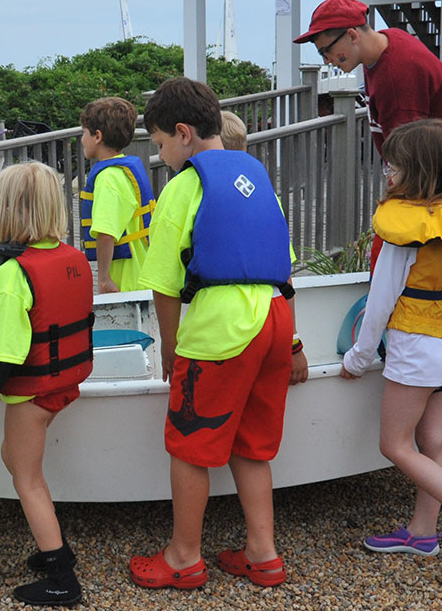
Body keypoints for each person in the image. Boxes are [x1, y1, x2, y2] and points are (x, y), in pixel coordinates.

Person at [128, 77, 306, 590]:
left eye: (160, 144)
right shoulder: (255, 174)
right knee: (251, 445)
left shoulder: (184, 185)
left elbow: (163, 283)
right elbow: (283, 271)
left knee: (191, 445)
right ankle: (263, 553)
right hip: (274, 320)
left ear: (183, 134)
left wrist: (169, 345)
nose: (161, 155)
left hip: (221, 329)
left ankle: (183, 557)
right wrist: (293, 342)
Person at [340, 119, 442, 567]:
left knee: (394, 445)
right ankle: (422, 533)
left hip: (415, 349)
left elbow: (379, 303)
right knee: (431, 441)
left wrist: (357, 359)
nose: (388, 174)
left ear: (414, 171)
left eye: (393, 166)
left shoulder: (405, 228)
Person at [0, 161, 93, 606]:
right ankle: (52, 545)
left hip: (32, 395)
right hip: (62, 383)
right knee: (14, 457)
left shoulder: (12, 275)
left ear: (4, 213)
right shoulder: (69, 258)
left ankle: (60, 574)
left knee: (27, 479)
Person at [296, 0, 442, 165]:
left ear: (352, 36)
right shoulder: (389, 39)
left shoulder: (396, 75)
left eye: (325, 51)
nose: (327, 60)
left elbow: (409, 160)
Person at [78, 97, 156, 294]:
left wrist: (103, 280)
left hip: (125, 283)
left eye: (83, 133)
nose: (81, 140)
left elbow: (105, 234)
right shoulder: (123, 170)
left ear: (97, 136)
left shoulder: (108, 179)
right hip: (143, 271)